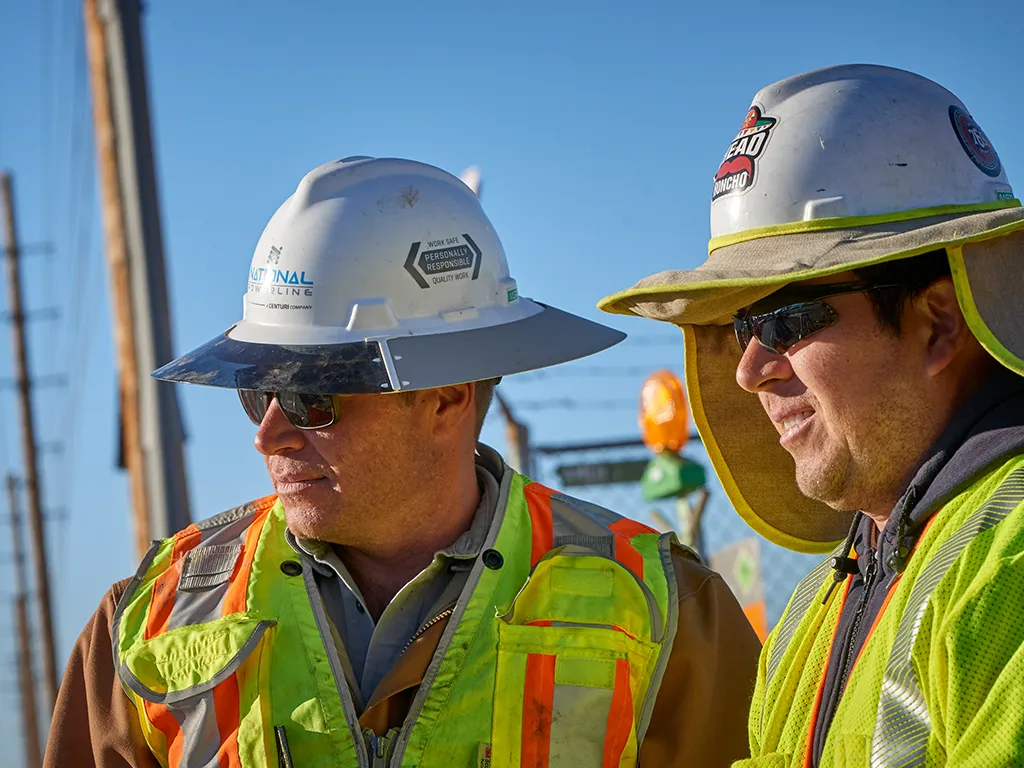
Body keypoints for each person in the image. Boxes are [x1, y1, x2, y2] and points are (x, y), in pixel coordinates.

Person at [46, 157, 760, 768]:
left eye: (309, 397)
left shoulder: (667, 619)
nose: (268, 435)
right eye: (259, 392)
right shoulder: (150, 623)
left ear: (448, 396)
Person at [600, 64, 1024, 767]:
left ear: (939, 322)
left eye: (789, 318)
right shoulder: (812, 613)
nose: (749, 369)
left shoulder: (1007, 568)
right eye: (743, 328)